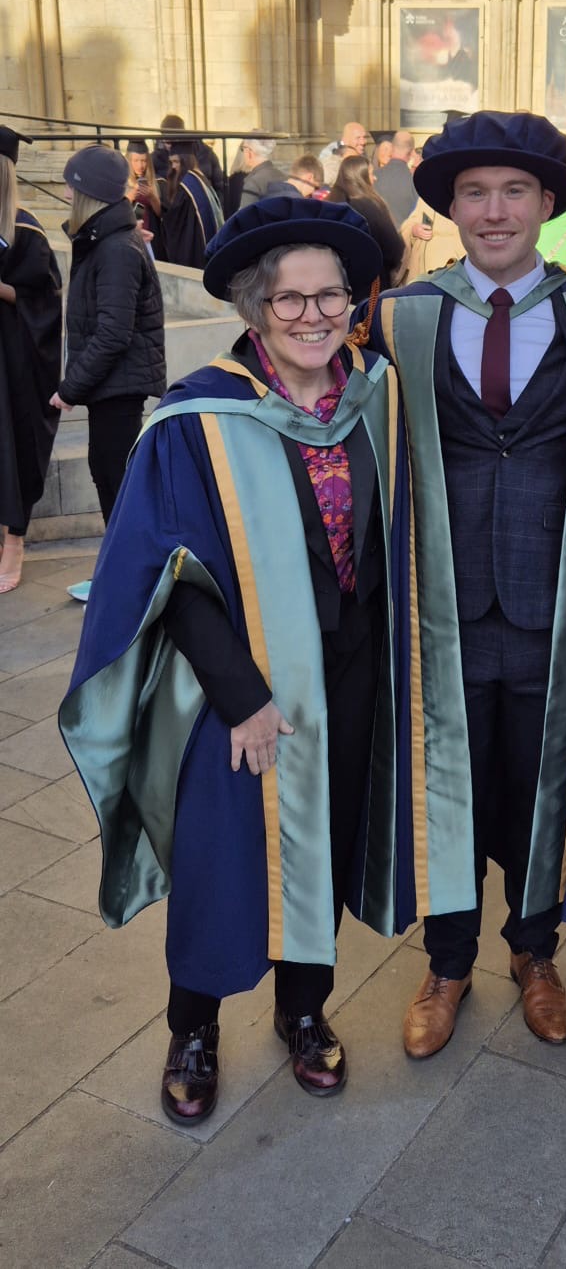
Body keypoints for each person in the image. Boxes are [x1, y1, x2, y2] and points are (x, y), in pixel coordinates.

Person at [60, 197, 400, 1126]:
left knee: (321, 847)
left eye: (330, 296)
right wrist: (244, 696)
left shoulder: (377, 393)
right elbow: (166, 575)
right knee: (221, 856)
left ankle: (304, 1009)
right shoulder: (194, 417)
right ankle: (193, 1027)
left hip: (352, 675)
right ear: (255, 308)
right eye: (289, 300)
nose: (313, 317)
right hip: (236, 690)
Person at [363, 111, 566, 1060]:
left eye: (515, 191)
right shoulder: (403, 316)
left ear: (548, 203)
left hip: (557, 601)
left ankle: (534, 949)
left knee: (540, 778)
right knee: (452, 784)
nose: (496, 209)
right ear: (451, 207)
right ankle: (449, 958)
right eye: (475, 192)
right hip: (446, 604)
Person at [50, 146, 165, 544]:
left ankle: (130, 582)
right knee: (110, 476)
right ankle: (121, 574)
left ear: (87, 194)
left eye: (70, 186)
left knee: (116, 483)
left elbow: (114, 333)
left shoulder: (116, 248)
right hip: (112, 387)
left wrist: (69, 388)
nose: (65, 194)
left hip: (119, 387)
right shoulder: (107, 240)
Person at [0, 127, 62, 594]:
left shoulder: (24, 229)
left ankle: (15, 540)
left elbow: (45, 300)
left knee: (16, 440)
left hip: (16, 361)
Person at [328, 153, 406, 287]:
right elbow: (393, 248)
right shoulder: (371, 206)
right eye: (370, 174)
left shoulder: (330, 205)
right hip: (372, 284)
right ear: (361, 178)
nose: (374, 178)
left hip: (337, 283)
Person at [161, 141, 223, 268]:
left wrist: (158, 208)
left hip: (196, 248)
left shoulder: (187, 186)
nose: (173, 167)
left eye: (176, 162)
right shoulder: (200, 178)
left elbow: (174, 221)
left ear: (186, 160)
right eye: (171, 162)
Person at [374, 131, 418, 226]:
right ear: (410, 152)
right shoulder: (414, 181)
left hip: (377, 236)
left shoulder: (373, 177)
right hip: (403, 237)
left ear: (392, 148)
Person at [238, 137, 284, 208]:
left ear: (249, 153)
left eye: (242, 149)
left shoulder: (253, 182)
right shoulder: (282, 175)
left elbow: (246, 216)